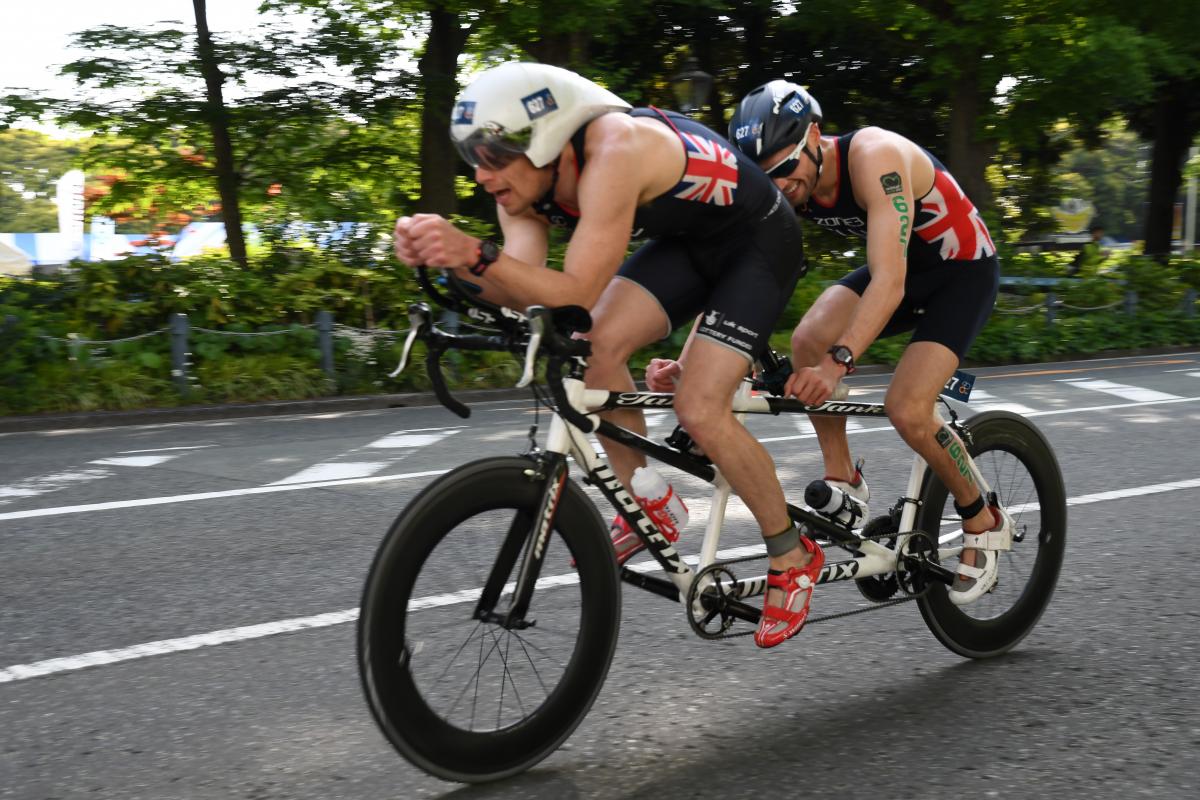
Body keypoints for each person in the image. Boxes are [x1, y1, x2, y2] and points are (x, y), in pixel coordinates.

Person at [392, 62, 820, 647]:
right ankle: (653, 501)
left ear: (546, 139)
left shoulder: (615, 147)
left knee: (700, 407)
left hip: (758, 241)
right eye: (475, 161)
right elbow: (524, 284)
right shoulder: (520, 185)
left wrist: (474, 253)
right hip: (690, 243)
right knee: (590, 344)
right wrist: (454, 261)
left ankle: (792, 552)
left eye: (494, 158)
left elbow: (577, 290)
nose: (483, 177)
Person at [666, 78, 1011, 606]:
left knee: (908, 409)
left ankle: (982, 517)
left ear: (816, 137)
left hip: (960, 273)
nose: (780, 185)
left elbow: (889, 283)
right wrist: (690, 360)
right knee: (808, 338)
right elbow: (738, 274)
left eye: (787, 169)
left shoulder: (875, 156)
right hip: (901, 269)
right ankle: (843, 477)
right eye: (767, 175)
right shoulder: (786, 185)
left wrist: (839, 363)